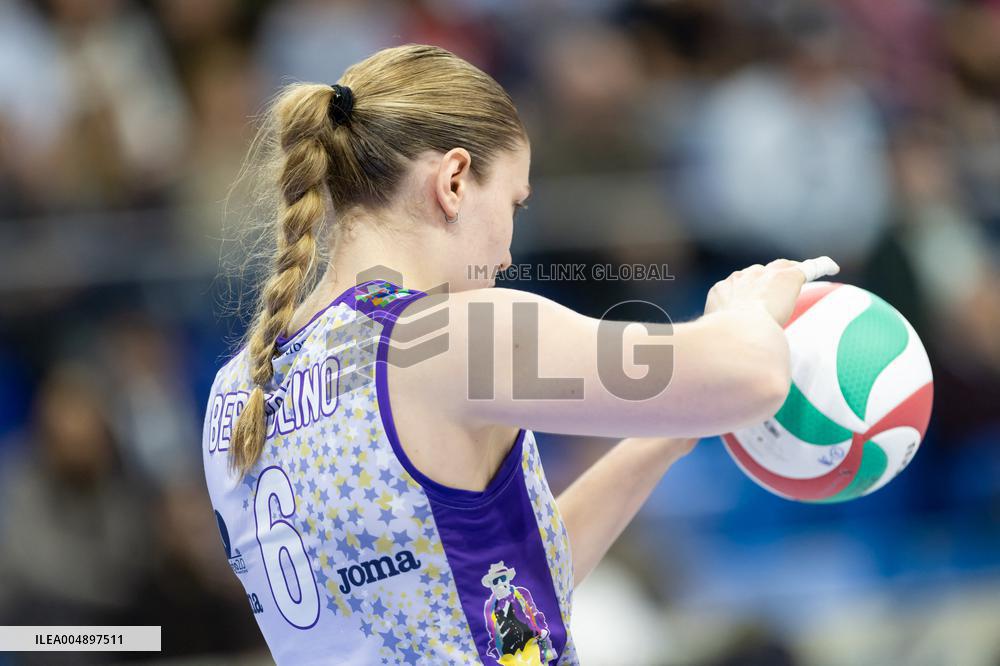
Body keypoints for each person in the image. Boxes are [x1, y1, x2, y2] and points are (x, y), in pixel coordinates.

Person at [201, 44, 838, 665]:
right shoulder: (442, 336)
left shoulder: (236, 390)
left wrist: (666, 437)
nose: (508, 253)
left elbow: (493, 594)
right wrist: (747, 309)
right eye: (513, 203)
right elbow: (754, 375)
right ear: (452, 181)